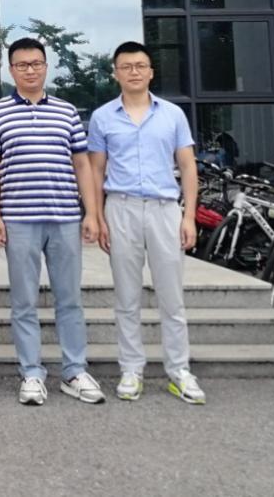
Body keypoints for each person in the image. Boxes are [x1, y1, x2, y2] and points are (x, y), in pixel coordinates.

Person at [0, 37, 105, 406]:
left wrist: (91, 212)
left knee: (70, 300)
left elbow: (82, 164)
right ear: (11, 70)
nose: (30, 70)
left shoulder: (67, 112)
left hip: (65, 217)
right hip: (19, 220)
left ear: (46, 66)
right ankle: (31, 373)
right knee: (24, 302)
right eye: (22, 65)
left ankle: (74, 371)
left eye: (36, 63)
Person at [88, 40, 205, 406]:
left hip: (164, 208)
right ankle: (131, 369)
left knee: (172, 297)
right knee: (126, 297)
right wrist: (98, 216)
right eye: (126, 66)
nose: (134, 72)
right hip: (120, 208)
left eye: (140, 65)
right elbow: (95, 170)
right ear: (115, 73)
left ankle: (179, 370)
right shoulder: (102, 117)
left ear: (151, 72)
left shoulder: (172, 114)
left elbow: (187, 166)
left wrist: (189, 216)